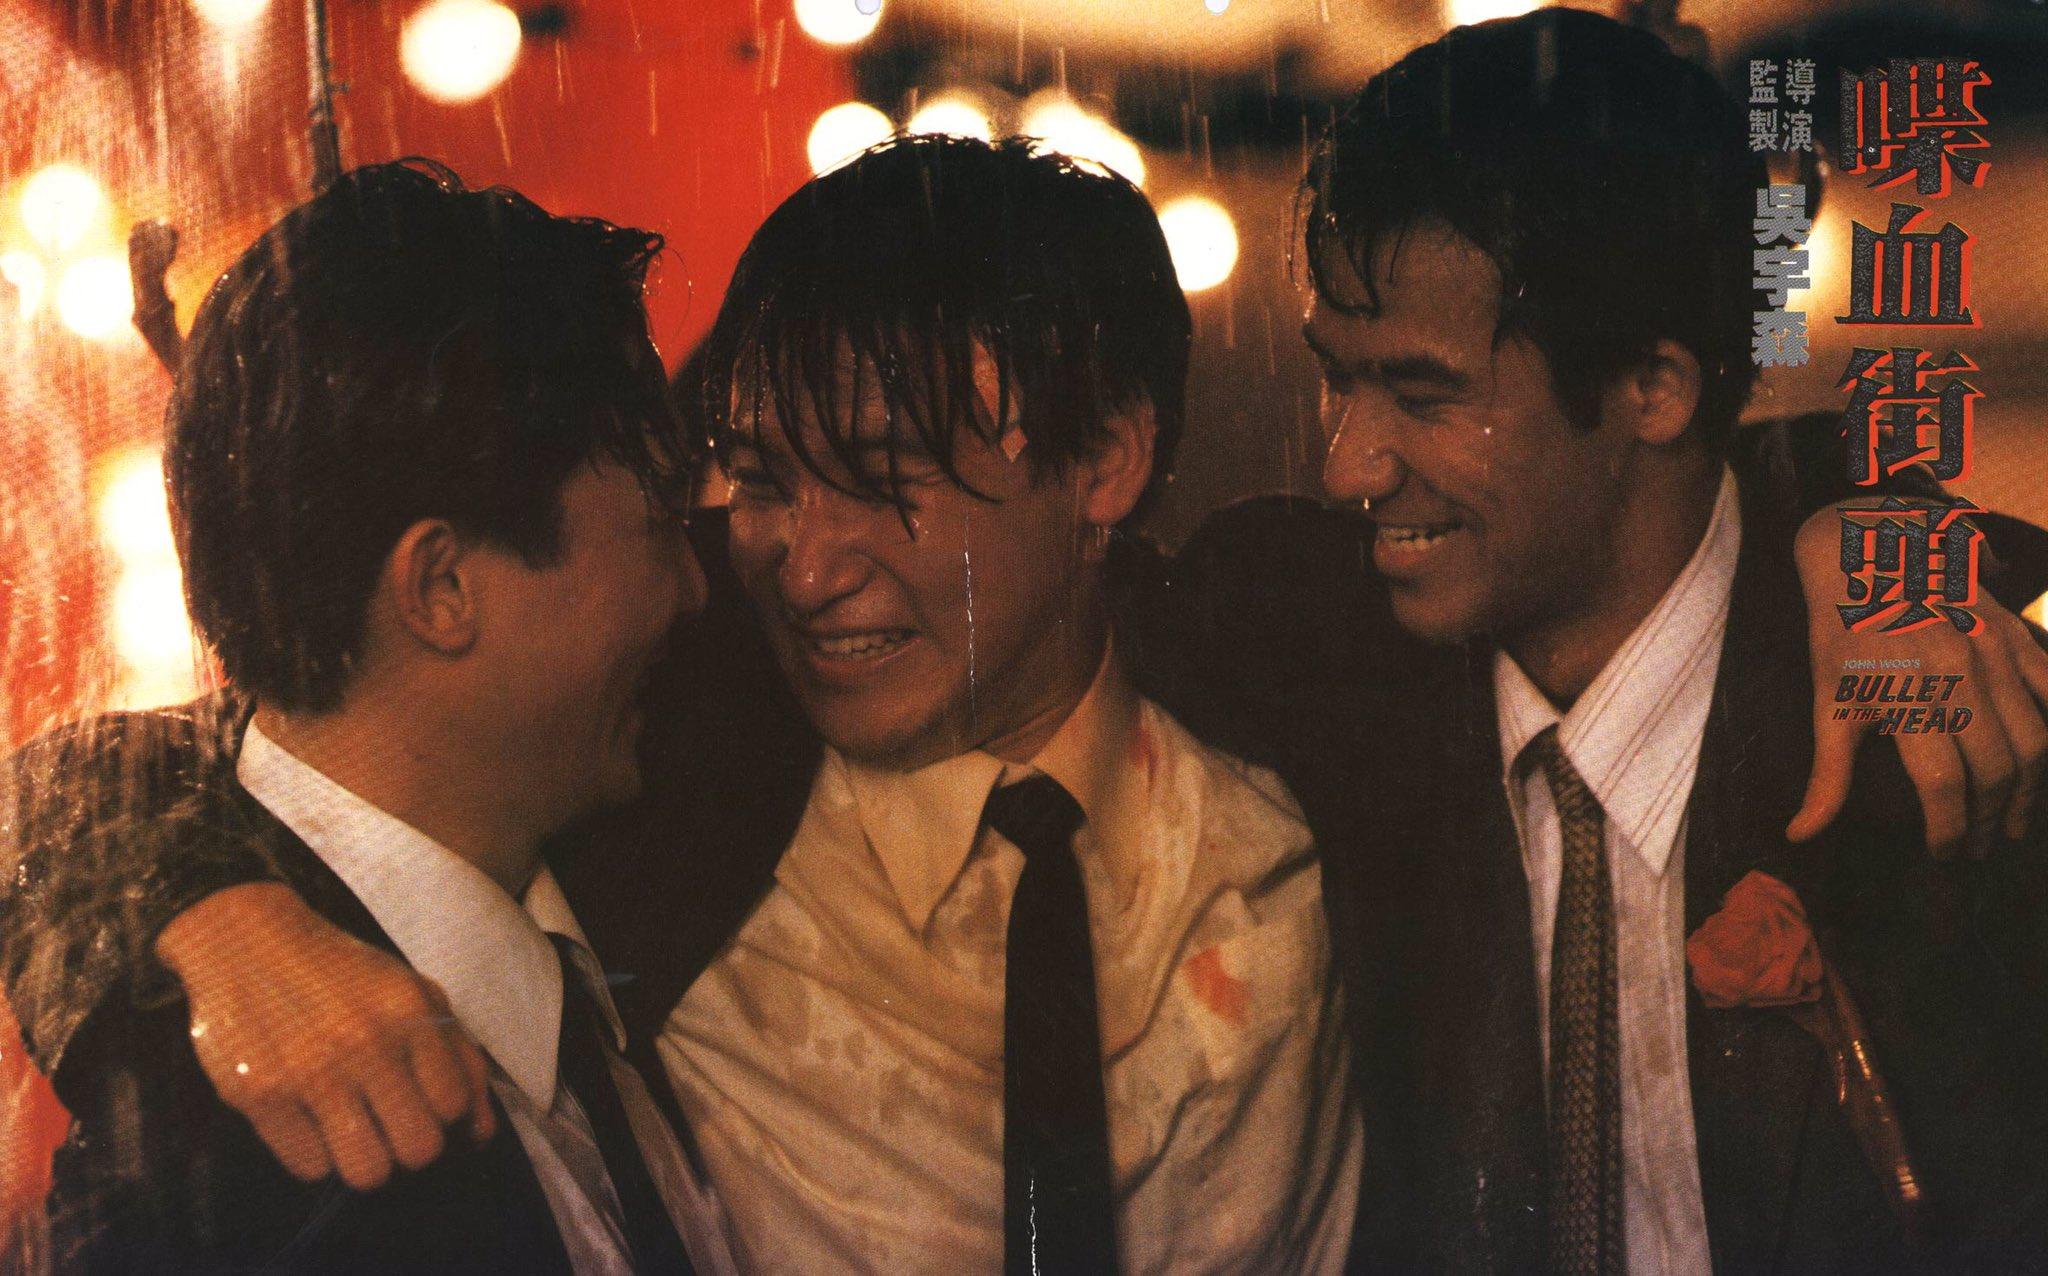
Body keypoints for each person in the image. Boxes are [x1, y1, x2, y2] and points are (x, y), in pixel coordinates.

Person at [6, 126, 2046, 1273]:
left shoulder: (1301, 660)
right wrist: (213, 918)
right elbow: (252, 743)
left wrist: (1868, 517)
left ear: (1107, 466)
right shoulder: (681, 728)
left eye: (891, 481)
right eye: (759, 475)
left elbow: (1597, 504)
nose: (803, 558)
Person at [1236, 11, 2046, 1269]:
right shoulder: (1307, 657)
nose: (1346, 466)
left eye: (1423, 394)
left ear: (1654, 388)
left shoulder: (1942, 690)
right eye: (1336, 378)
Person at [0, 159, 732, 1273]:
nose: (695, 587)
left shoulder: (611, 839)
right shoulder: (223, 1181)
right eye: (659, 525)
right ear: (441, 588)